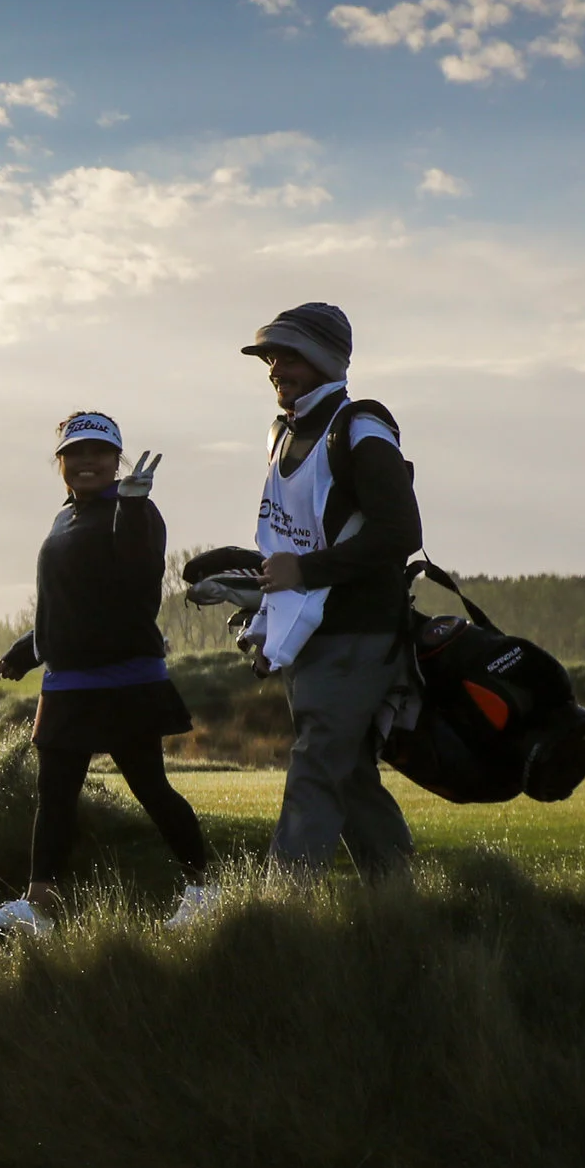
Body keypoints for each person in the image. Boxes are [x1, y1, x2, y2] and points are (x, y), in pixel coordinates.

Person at [0, 410, 214, 935]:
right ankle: (38, 910)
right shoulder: (64, 518)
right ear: (60, 461)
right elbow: (64, 605)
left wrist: (132, 503)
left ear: (116, 460)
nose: (86, 463)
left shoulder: (137, 512)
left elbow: (137, 576)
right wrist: (25, 651)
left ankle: (205, 889)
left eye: (99, 453)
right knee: (54, 796)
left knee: (150, 787)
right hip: (68, 681)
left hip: (125, 679)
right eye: (74, 453)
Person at [239, 302, 424, 887]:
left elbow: (401, 535)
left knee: (317, 766)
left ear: (324, 360)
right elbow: (290, 543)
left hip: (358, 631)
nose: (275, 367)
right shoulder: (284, 432)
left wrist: (306, 573)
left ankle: (279, 908)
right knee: (345, 775)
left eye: (288, 354)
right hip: (313, 633)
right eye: (271, 356)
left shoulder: (362, 430)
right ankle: (396, 895)